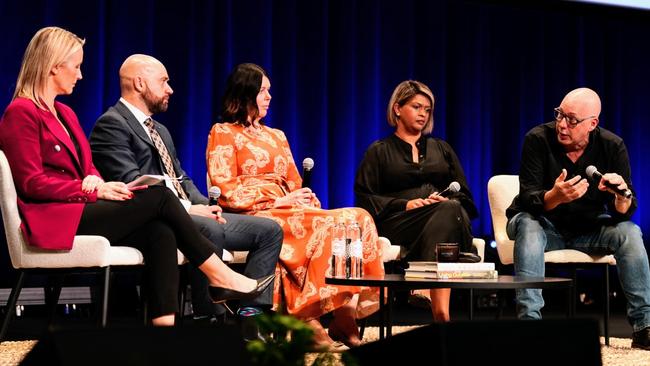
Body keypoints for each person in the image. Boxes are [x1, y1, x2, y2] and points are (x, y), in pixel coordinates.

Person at [0, 26, 273, 327]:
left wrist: (96, 181)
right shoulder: (21, 112)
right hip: (55, 217)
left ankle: (163, 333)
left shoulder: (65, 113)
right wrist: (89, 190)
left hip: (80, 207)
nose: (80, 75)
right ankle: (217, 273)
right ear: (54, 66)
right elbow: (30, 183)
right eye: (76, 67)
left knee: (160, 231)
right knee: (157, 195)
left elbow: (87, 165)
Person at [89, 54, 283, 326]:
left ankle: (251, 322)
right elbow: (134, 184)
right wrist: (190, 209)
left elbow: (180, 178)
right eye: (164, 81)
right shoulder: (112, 125)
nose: (170, 89)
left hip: (186, 211)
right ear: (140, 83)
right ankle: (209, 321)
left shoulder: (161, 130)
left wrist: (205, 204)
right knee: (209, 228)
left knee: (270, 230)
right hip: (153, 218)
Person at [205, 63, 384, 349]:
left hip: (289, 207)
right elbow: (224, 188)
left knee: (358, 217)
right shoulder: (223, 132)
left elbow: (294, 182)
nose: (269, 97)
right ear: (246, 93)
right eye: (263, 91)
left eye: (269, 91)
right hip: (255, 213)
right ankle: (306, 320)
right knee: (329, 223)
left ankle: (344, 316)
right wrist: (279, 200)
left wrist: (304, 196)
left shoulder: (277, 135)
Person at [506, 87, 650, 349]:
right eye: (560, 115)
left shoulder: (612, 146)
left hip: (588, 230)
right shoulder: (537, 139)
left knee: (630, 232)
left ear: (592, 124)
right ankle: (529, 325)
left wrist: (620, 197)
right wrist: (555, 197)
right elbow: (528, 199)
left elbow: (625, 210)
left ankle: (644, 327)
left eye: (571, 120)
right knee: (528, 224)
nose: (562, 124)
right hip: (543, 227)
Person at [354, 80, 478, 322]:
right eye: (416, 107)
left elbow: (463, 193)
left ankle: (432, 297)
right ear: (398, 109)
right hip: (397, 223)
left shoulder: (441, 148)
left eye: (427, 109)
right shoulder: (378, 151)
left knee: (449, 208)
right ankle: (440, 312)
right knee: (448, 214)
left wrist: (440, 199)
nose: (423, 114)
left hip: (443, 218)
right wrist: (406, 204)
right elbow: (364, 197)